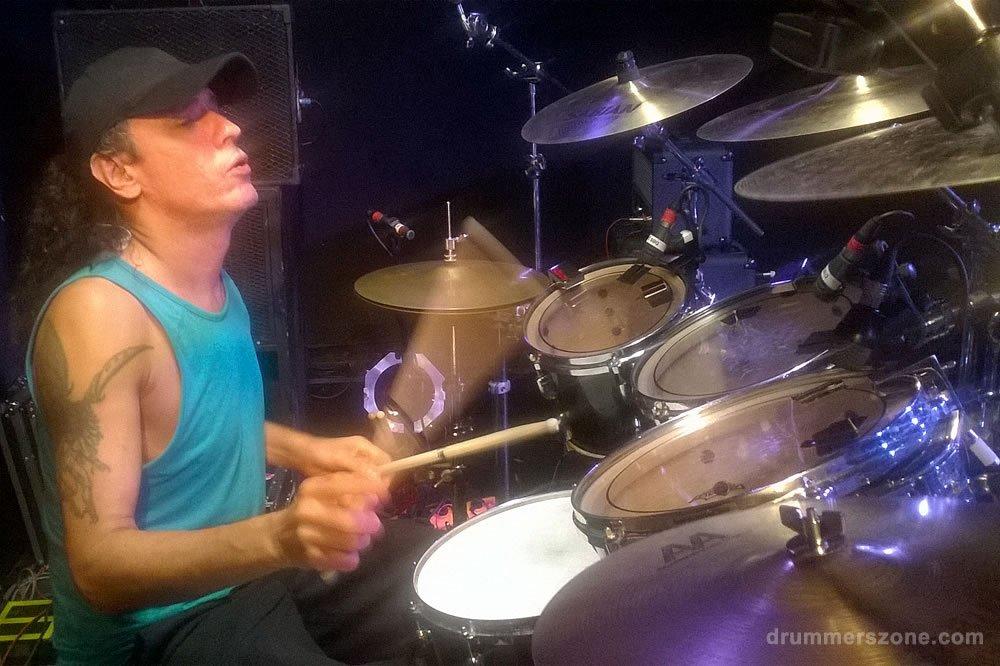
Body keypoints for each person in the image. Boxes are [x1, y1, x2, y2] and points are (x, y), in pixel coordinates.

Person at [13, 47, 434, 664]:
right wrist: (283, 535)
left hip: (238, 581)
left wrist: (309, 451)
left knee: (437, 577)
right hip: (153, 630)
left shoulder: (214, 284)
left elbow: (188, 425)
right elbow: (99, 569)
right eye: (188, 120)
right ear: (119, 172)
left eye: (217, 109)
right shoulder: (98, 314)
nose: (231, 127)